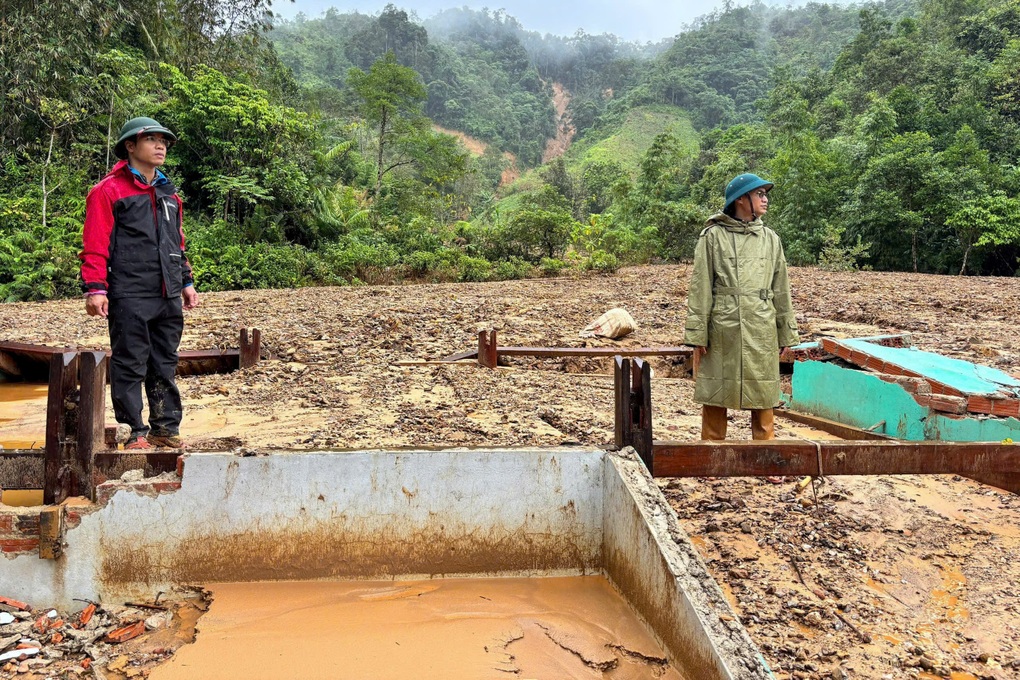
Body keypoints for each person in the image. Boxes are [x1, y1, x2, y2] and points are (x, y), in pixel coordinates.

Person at [80, 117, 199, 450]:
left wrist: (186, 281)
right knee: (130, 361)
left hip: (167, 291)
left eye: (164, 141)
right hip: (129, 290)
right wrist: (95, 288)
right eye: (151, 140)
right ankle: (134, 431)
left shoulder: (169, 194)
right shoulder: (109, 191)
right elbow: (95, 242)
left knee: (164, 361)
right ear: (130, 146)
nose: (160, 146)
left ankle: (165, 428)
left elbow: (176, 242)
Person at [683, 173, 799, 440]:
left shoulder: (771, 239)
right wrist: (698, 333)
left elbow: (781, 289)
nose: (765, 199)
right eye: (759, 194)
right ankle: (712, 454)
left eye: (765, 194)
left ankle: (765, 455)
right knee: (716, 393)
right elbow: (701, 286)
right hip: (722, 326)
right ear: (740, 199)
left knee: (764, 394)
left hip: (761, 324)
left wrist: (786, 333)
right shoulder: (713, 236)